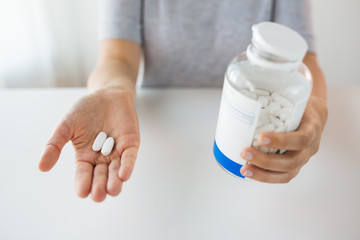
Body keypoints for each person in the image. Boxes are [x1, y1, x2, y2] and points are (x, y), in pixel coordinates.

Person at [38, 0, 328, 202]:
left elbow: (304, 62)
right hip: (164, 136)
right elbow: (116, 58)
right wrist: (111, 90)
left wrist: (315, 109)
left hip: (251, 146)